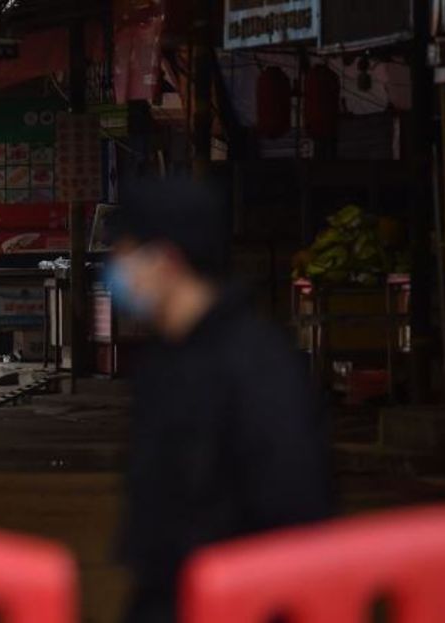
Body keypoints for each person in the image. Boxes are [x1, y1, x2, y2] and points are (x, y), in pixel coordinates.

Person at [108, 179, 334, 623]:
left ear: (166, 260)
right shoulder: (166, 360)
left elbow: (295, 511)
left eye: (126, 252)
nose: (116, 269)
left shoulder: (256, 366)